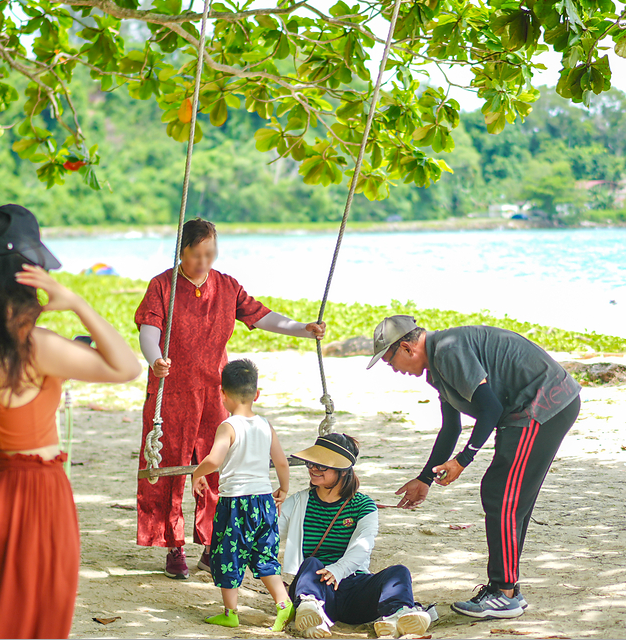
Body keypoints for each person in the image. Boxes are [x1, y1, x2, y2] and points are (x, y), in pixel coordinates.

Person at [0, 204, 142, 638]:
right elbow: (126, 367)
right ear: (25, 274)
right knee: (29, 617)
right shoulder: (35, 347)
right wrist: (77, 303)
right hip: (35, 496)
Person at [134, 217, 326, 579]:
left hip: (215, 392)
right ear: (182, 251)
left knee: (218, 465)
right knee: (170, 467)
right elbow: (150, 330)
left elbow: (262, 315)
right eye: (195, 255)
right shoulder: (163, 285)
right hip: (171, 389)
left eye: (210, 254)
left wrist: (303, 329)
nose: (203, 262)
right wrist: (154, 358)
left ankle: (211, 544)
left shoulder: (226, 285)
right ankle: (173, 546)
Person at [367, 315, 582, 619]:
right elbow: (450, 428)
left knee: (501, 494)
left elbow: (490, 408)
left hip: (541, 403)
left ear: (406, 348)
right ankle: (506, 589)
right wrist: (424, 479)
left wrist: (462, 460)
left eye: (390, 362)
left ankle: (504, 592)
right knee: (508, 496)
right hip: (535, 406)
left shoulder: (447, 350)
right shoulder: (438, 365)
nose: (395, 370)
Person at [279, 434, 434, 639]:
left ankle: (397, 615)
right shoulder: (299, 501)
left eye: (322, 466)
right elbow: (268, 536)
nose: (313, 469)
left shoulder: (364, 506)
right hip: (317, 587)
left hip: (354, 587)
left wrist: (338, 569)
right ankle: (311, 612)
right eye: (310, 463)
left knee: (398, 572)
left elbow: (363, 546)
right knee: (312, 563)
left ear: (343, 471)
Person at [190, 359, 293, 630]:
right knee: (264, 554)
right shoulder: (265, 425)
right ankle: (283, 603)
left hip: (235, 503)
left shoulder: (228, 426)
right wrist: (284, 487)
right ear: (256, 394)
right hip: (263, 502)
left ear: (222, 394)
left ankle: (230, 612)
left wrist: (196, 474)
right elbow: (281, 462)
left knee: (227, 555)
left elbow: (213, 460)